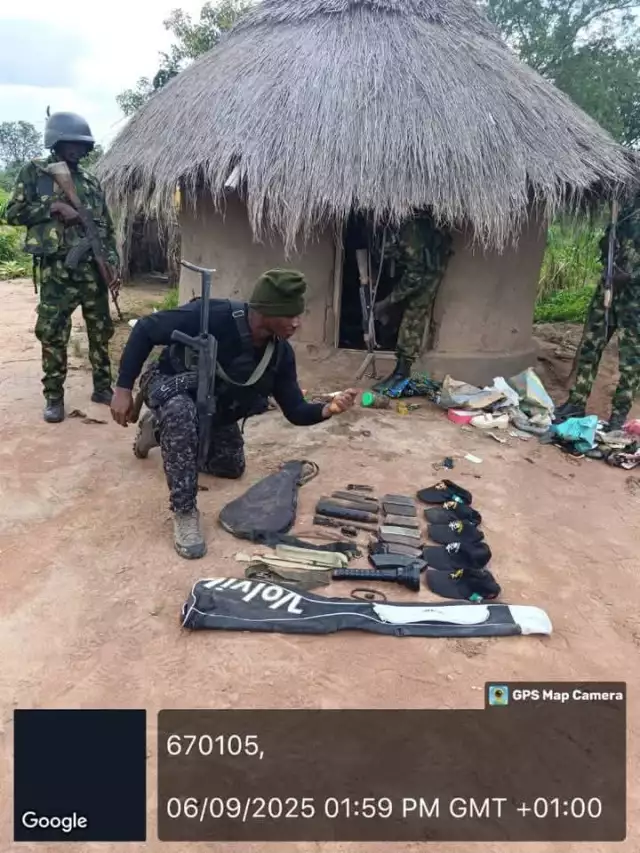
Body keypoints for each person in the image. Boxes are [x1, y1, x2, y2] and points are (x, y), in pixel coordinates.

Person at [110, 269, 358, 559]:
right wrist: (123, 388)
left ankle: (159, 433)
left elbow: (295, 410)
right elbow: (145, 329)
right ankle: (185, 512)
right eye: (289, 315)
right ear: (265, 312)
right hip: (168, 384)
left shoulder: (280, 354)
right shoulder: (211, 316)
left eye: (298, 315)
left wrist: (328, 409)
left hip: (214, 408)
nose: (296, 323)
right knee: (180, 411)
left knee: (231, 467)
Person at [6, 112, 120, 424]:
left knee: (101, 331)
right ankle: (54, 397)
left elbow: (106, 228)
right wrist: (53, 208)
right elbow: (11, 213)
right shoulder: (35, 173)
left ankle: (102, 387)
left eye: (82, 145)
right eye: (70, 143)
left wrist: (111, 262)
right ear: (56, 142)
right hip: (56, 271)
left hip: (91, 271)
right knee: (54, 332)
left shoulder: (91, 182)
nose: (76, 150)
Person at [554, 193, 640, 432]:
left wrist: (632, 278)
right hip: (608, 292)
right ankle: (576, 403)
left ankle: (618, 416)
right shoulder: (626, 211)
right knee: (590, 349)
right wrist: (608, 244)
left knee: (631, 362)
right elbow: (608, 249)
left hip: (635, 303)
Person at [371, 212, 453, 392]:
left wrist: (387, 302)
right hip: (422, 266)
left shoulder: (409, 232)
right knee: (406, 312)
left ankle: (402, 372)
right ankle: (401, 369)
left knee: (413, 316)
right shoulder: (400, 229)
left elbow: (416, 275)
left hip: (430, 272)